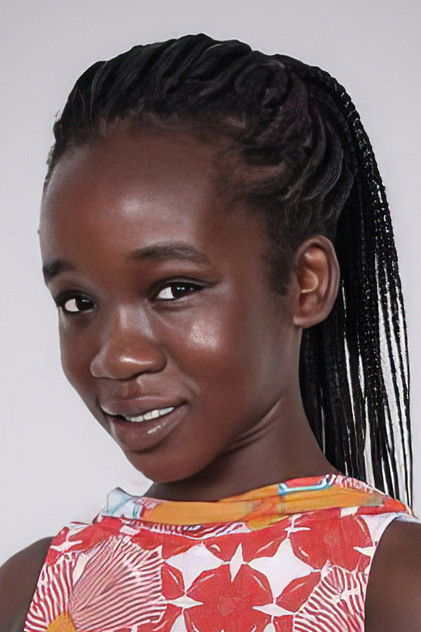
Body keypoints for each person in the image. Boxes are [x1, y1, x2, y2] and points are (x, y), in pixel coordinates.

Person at [1, 33, 420, 632]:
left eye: (174, 290)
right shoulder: (34, 591)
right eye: (78, 302)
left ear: (305, 283)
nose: (115, 358)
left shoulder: (393, 587)